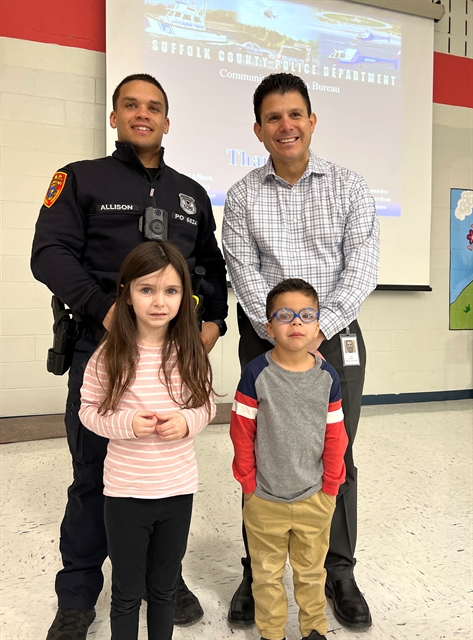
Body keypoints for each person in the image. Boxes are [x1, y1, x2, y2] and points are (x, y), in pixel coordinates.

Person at [31, 73, 228, 640]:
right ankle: (77, 597)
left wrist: (211, 323)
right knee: (95, 474)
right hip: (104, 349)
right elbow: (49, 253)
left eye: (155, 108)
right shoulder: (78, 178)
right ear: (115, 116)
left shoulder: (191, 194)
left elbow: (210, 267)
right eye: (131, 106)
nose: (143, 115)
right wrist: (105, 310)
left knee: (165, 471)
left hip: (173, 358)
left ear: (168, 121)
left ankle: (161, 576)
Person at [222, 72, 379, 631]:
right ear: (259, 130)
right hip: (264, 339)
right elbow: (243, 273)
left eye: (295, 115)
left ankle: (338, 570)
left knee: (339, 450)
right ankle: (256, 568)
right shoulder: (242, 196)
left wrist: (317, 328)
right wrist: (283, 330)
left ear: (311, 122)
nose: (285, 126)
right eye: (273, 118)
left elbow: (362, 266)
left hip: (335, 337)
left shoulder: (351, 188)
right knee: (262, 453)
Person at [79, 241, 216, 640]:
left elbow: (205, 406)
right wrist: (125, 424)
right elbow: (89, 410)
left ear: (184, 297)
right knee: (126, 592)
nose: (160, 301)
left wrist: (186, 422)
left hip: (177, 491)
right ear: (126, 295)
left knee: (164, 589)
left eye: (171, 291)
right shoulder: (109, 354)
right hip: (125, 493)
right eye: (147, 289)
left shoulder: (191, 352)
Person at [230, 279, 348, 640]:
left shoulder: (327, 377)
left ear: (317, 326)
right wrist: (249, 484)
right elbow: (241, 432)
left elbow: (335, 437)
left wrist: (330, 488)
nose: (296, 323)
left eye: (306, 315)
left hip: (315, 498)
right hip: (264, 500)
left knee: (312, 572)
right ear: (269, 327)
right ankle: (271, 633)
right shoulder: (255, 374)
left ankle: (314, 630)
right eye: (285, 315)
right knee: (265, 575)